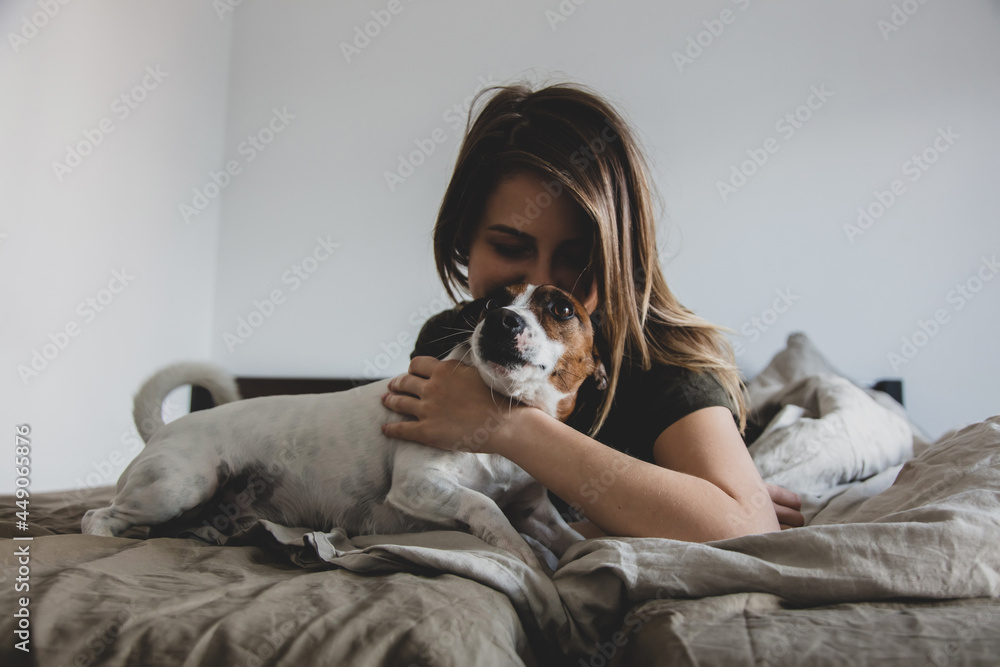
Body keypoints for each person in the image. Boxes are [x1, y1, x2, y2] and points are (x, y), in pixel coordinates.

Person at [380, 81, 804, 541]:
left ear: (619, 262)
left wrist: (503, 426)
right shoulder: (454, 338)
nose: (544, 278)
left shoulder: (665, 363)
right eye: (508, 246)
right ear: (465, 242)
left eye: (577, 258)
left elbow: (745, 527)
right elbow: (427, 506)